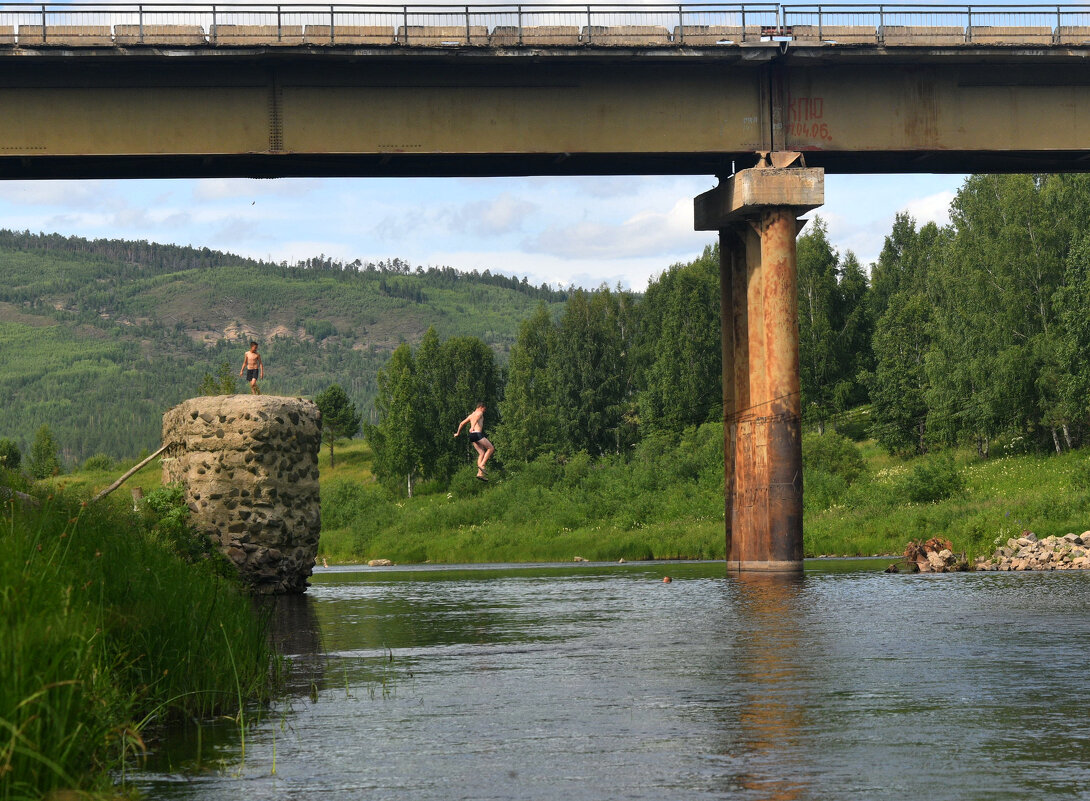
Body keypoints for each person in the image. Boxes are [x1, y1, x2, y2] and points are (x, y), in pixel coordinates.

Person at [454, 402, 494, 481]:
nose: (484, 411)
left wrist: (457, 433)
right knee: (491, 448)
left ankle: (479, 474)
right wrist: (472, 427)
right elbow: (478, 417)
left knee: (482, 453)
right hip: (477, 434)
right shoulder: (479, 412)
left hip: (472, 436)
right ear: (481, 407)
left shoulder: (471, 415)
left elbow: (461, 423)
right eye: (484, 409)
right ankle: (482, 465)